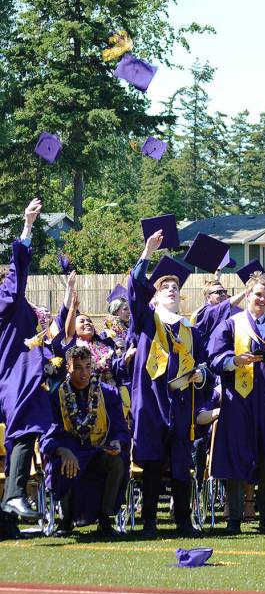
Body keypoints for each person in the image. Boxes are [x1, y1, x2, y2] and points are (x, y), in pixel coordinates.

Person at [127, 230, 208, 538]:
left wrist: (201, 375)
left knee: (181, 464)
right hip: (151, 400)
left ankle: (184, 522)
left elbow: (206, 365)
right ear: (156, 296)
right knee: (151, 462)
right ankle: (149, 522)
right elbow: (135, 290)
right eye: (165, 287)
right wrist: (147, 253)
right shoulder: (147, 320)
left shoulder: (190, 329)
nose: (171, 290)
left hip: (182, 403)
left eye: (175, 287)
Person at [208, 270, 265, 534]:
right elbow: (214, 358)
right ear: (247, 295)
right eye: (258, 294)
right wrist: (235, 360)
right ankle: (234, 519)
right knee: (237, 456)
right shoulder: (232, 324)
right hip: (238, 401)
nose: (262, 299)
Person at [0, 199, 52, 534]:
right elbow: (17, 271)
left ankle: (5, 521)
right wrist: (28, 227)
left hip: (14, 375)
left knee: (26, 427)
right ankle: (16, 494)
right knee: (28, 424)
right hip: (14, 374)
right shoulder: (7, 299)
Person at [42, 346, 130, 537]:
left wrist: (117, 442)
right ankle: (65, 521)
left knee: (117, 460)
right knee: (62, 463)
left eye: (88, 367)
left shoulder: (107, 393)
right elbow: (48, 432)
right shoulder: (56, 396)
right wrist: (61, 450)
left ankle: (105, 520)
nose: (84, 373)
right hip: (70, 452)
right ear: (69, 368)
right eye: (79, 367)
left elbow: (120, 428)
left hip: (97, 450)